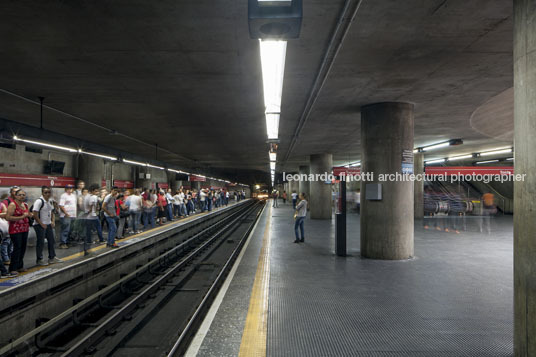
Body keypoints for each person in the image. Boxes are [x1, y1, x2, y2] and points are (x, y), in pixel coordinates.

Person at [32, 186, 62, 266]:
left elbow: (51, 212)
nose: (48, 194)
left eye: (49, 192)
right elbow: (34, 214)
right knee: (40, 242)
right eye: (46, 192)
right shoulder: (39, 201)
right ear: (42, 193)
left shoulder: (50, 201)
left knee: (51, 241)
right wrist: (42, 224)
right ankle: (39, 259)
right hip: (39, 225)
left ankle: (52, 257)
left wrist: (52, 221)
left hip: (48, 224)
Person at [6, 189, 31, 274]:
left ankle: (20, 266)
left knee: (23, 248)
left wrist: (29, 215)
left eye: (23, 195)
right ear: (15, 196)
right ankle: (13, 268)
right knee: (17, 248)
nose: (22, 196)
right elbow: (8, 217)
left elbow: (27, 215)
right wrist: (21, 217)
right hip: (15, 230)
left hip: (24, 229)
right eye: (20, 195)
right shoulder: (13, 205)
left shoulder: (25, 205)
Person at [84, 184, 104, 250]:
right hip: (93, 215)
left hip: (88, 216)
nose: (97, 192)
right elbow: (92, 206)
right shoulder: (93, 197)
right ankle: (101, 240)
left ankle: (89, 241)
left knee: (88, 229)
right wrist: (92, 211)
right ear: (92, 191)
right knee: (98, 227)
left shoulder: (86, 196)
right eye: (96, 191)